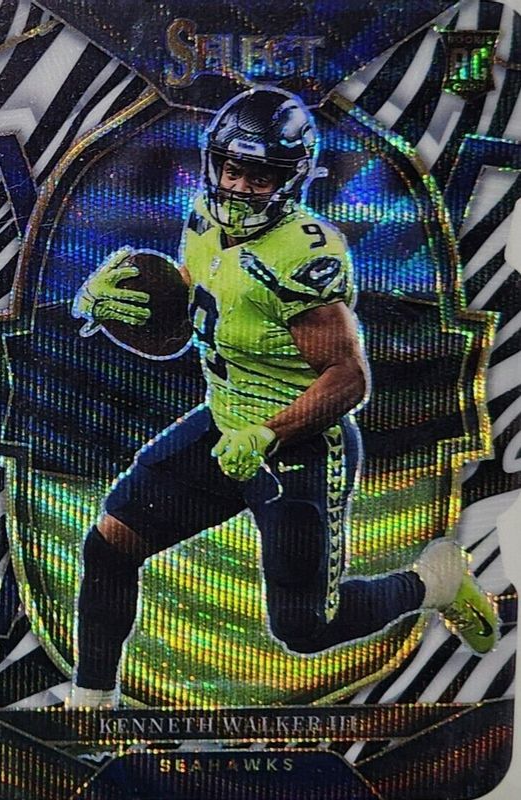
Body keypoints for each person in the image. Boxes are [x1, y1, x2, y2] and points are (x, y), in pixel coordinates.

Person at [68, 88, 498, 708]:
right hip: (226, 422)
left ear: (290, 178)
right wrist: (113, 308)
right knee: (111, 544)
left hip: (300, 446)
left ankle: (434, 582)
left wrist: (268, 433)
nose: (240, 186)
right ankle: (90, 704)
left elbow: (348, 377)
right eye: (231, 168)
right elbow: (189, 328)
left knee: (305, 627)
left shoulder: (303, 253)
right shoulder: (202, 217)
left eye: (260, 175)